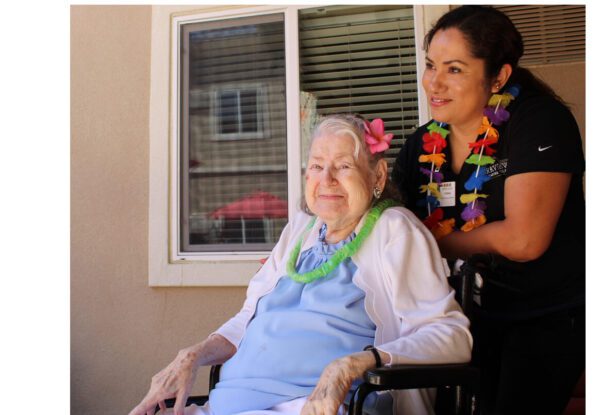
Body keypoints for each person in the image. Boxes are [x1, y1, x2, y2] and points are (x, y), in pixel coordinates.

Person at [129, 114, 472, 415]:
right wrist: (192, 355)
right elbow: (247, 319)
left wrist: (352, 365)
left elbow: (451, 336)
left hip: (316, 406)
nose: (327, 179)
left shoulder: (394, 229)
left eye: (343, 166)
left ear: (377, 176)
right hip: (225, 405)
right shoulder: (301, 229)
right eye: (317, 166)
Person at [391, 6, 585, 415]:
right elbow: (388, 225)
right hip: (449, 320)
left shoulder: (538, 121)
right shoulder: (421, 144)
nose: (434, 82)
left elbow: (524, 239)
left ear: (499, 76)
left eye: (455, 69)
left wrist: (434, 244)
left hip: (536, 318)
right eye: (430, 66)